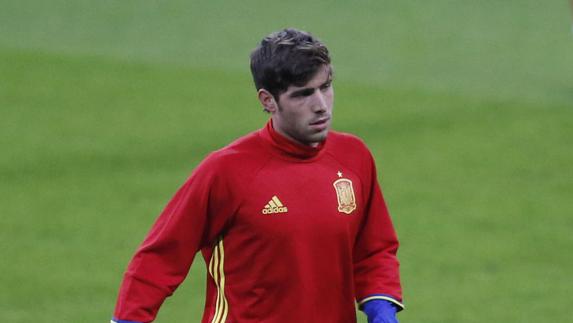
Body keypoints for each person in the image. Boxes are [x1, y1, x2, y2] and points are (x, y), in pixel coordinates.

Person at [111, 28, 403, 323]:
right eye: (303, 94)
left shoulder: (354, 157)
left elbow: (374, 250)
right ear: (267, 100)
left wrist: (382, 309)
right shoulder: (227, 171)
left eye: (325, 87)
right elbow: (160, 256)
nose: (321, 105)